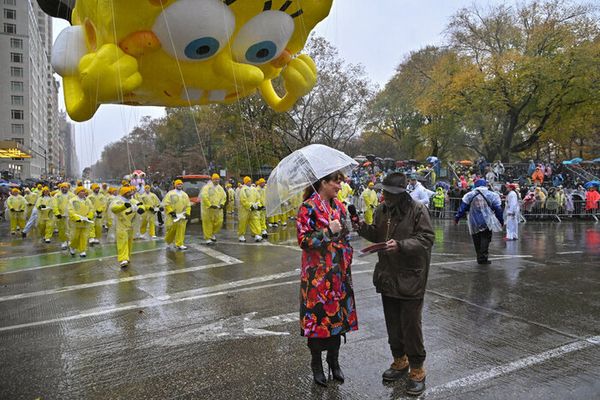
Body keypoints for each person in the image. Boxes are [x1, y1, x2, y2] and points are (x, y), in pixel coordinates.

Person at [356, 172, 434, 396]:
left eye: (390, 193)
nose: (385, 195)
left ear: (401, 194)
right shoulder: (382, 210)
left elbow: (426, 239)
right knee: (392, 323)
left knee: (411, 325)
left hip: (411, 277)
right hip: (387, 275)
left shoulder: (418, 209)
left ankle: (417, 369)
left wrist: (401, 245)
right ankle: (400, 360)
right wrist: (362, 227)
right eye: (384, 191)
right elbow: (377, 235)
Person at [296, 170, 358, 387]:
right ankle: (316, 364)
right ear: (323, 182)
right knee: (318, 320)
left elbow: (346, 235)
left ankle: (334, 361)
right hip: (317, 278)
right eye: (336, 182)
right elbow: (303, 240)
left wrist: (345, 239)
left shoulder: (338, 206)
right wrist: (327, 232)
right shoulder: (308, 207)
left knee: (337, 320)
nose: (339, 187)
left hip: (338, 273)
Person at [454, 179, 504, 264]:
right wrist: (501, 220)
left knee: (476, 239)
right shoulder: (492, 195)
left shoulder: (469, 195)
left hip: (474, 221)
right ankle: (483, 257)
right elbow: (498, 209)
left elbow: (462, 208)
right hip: (486, 221)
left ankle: (479, 256)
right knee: (485, 238)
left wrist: (457, 218)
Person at [112, 186, 145, 268]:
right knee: (122, 241)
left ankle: (127, 257)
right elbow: (114, 209)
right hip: (121, 225)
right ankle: (123, 259)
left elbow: (140, 204)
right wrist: (124, 206)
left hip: (131, 224)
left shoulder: (132, 200)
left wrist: (141, 209)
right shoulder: (117, 201)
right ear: (124, 194)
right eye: (128, 193)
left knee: (129, 242)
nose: (130, 194)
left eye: (130, 192)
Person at [163, 179, 191, 250]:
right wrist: (171, 212)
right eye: (178, 184)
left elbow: (188, 205)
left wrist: (187, 213)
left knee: (181, 229)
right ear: (175, 185)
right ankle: (168, 241)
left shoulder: (184, 194)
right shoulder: (170, 193)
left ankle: (179, 244)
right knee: (172, 230)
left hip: (182, 215)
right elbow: (166, 203)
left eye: (181, 184)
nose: (180, 185)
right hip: (172, 215)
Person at [68, 186, 94, 257]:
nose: (83, 193)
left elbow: (91, 209)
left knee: (84, 237)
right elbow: (70, 210)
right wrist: (76, 218)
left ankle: (82, 250)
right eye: (81, 191)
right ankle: (72, 246)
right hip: (76, 223)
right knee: (74, 237)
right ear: (78, 192)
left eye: (84, 191)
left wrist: (89, 216)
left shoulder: (88, 201)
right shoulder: (72, 201)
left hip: (85, 222)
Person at [200, 174, 226, 244]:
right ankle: (208, 238)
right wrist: (210, 205)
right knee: (207, 223)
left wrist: (222, 204)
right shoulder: (207, 187)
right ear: (212, 179)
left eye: (218, 179)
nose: (217, 180)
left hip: (218, 210)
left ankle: (212, 233)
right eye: (215, 179)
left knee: (219, 222)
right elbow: (204, 196)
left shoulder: (220, 188)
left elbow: (224, 197)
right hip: (208, 210)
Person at [237, 176, 262, 242]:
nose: (249, 182)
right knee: (243, 222)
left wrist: (258, 205)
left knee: (255, 221)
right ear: (245, 182)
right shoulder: (243, 189)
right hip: (245, 210)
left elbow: (258, 198)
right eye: (248, 181)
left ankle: (256, 234)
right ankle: (241, 235)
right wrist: (249, 206)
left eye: (250, 181)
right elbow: (243, 200)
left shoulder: (254, 189)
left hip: (254, 209)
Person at [54, 183, 73, 249]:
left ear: (68, 188)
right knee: (62, 229)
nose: (64, 189)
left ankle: (70, 241)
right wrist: (57, 213)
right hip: (61, 215)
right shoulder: (57, 195)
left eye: (65, 187)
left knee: (70, 229)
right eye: (62, 187)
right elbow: (54, 205)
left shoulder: (72, 195)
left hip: (70, 215)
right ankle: (64, 241)